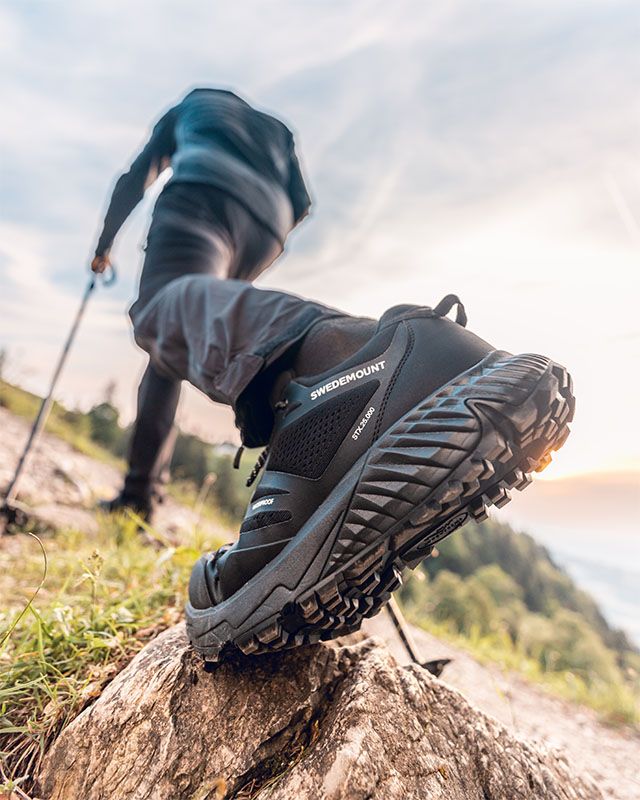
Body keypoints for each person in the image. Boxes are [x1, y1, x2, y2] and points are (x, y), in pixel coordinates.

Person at [128, 265, 575, 660]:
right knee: (189, 316)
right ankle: (401, 366)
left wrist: (107, 244)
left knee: (158, 308)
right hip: (269, 204)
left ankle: (352, 373)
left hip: (207, 187)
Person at [92, 87, 311, 520]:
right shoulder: (277, 130)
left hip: (201, 198)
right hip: (267, 228)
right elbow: (302, 203)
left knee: (162, 319)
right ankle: (139, 493)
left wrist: (104, 246)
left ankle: (316, 345)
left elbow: (137, 176)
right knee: (175, 341)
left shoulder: (192, 103)